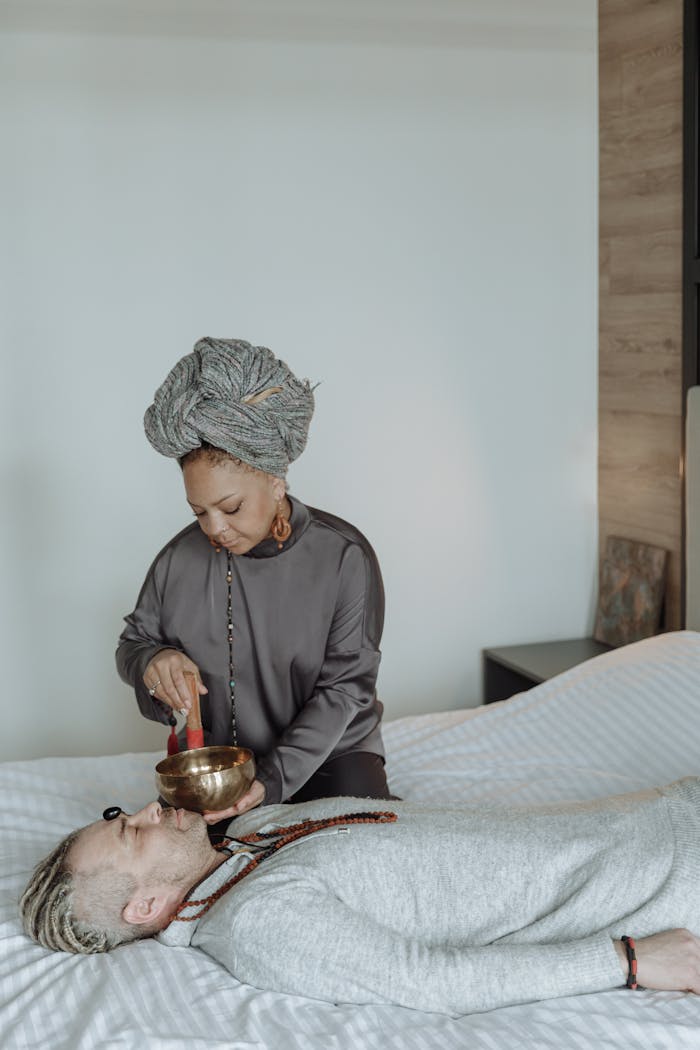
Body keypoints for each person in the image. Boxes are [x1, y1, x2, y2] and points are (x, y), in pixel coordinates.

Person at [19, 779, 700, 1016]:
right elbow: (433, 982)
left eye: (121, 814)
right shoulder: (257, 922)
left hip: (663, 808)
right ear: (144, 908)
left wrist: (228, 820)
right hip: (670, 877)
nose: (147, 809)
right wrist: (629, 961)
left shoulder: (249, 836)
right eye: (132, 834)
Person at [116, 337, 391, 822]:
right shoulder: (178, 559)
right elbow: (133, 644)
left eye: (231, 507)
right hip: (222, 762)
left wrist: (273, 778)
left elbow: (346, 687)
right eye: (199, 511)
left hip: (332, 756)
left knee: (362, 840)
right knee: (185, 860)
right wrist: (153, 661)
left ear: (275, 482)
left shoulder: (344, 556)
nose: (214, 529)